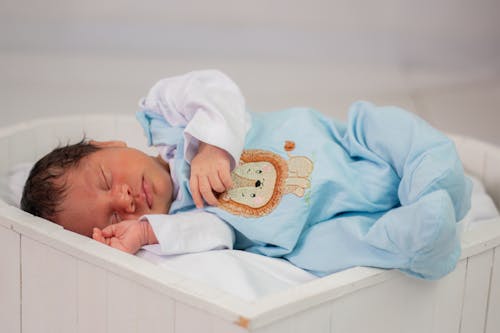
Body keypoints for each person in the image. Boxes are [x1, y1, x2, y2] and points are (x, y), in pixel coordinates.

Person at [21, 70, 472, 279]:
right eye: (111, 218)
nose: (123, 199)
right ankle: (418, 238)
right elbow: (216, 234)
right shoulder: (177, 219)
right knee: (324, 255)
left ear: (108, 144)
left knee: (383, 124)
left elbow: (215, 88)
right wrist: (143, 233)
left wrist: (212, 148)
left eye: (104, 181)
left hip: (341, 146)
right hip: (314, 225)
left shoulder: (167, 121)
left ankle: (432, 175)